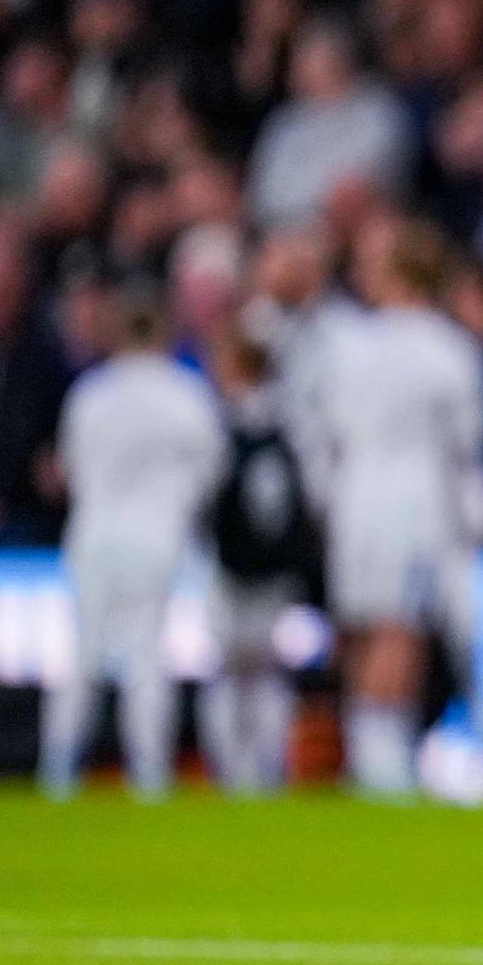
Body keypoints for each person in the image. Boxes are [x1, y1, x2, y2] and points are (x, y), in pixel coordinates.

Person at [319, 217, 483, 797]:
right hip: (416, 503)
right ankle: (385, 770)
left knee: (362, 633)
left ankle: (370, 756)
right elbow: (469, 440)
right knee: (400, 633)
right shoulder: (449, 351)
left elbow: (329, 431)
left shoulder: (349, 347)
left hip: (354, 502)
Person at [44, 284, 225, 799]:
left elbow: (70, 466)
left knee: (83, 651)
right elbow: (211, 470)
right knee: (147, 651)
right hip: (157, 533)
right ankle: (149, 776)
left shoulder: (91, 392)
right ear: (163, 334)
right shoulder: (185, 392)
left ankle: (58, 772)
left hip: (95, 530)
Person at [201, 335, 318, 795]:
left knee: (229, 674)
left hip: (231, 568)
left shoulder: (220, 424)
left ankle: (231, 774)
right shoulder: (292, 425)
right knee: (268, 674)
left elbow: (203, 494)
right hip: (276, 571)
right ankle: (267, 774)